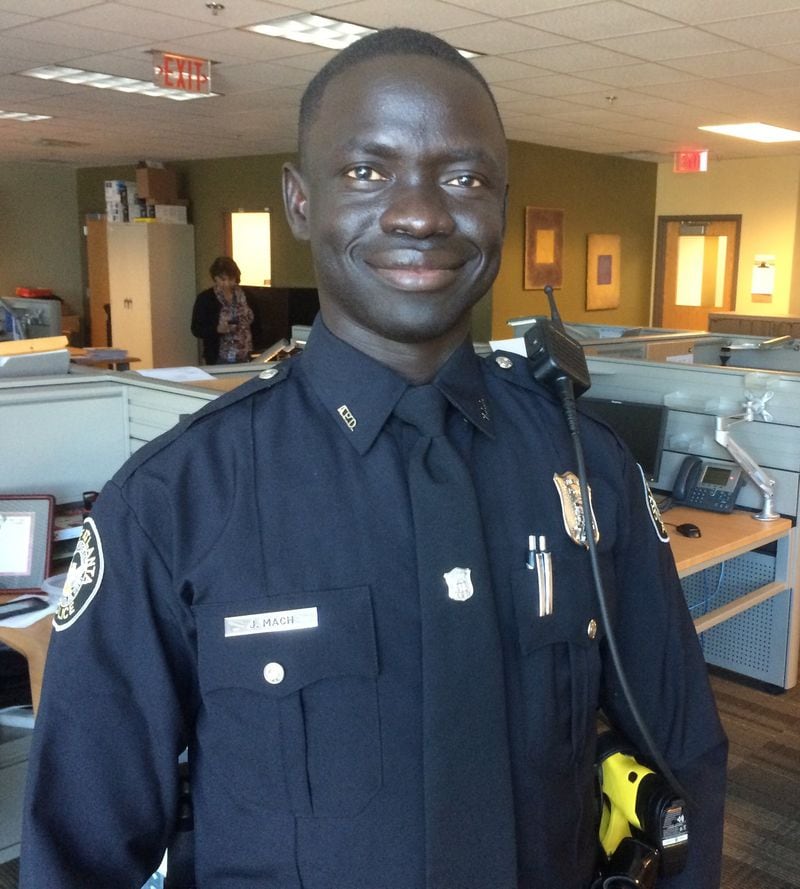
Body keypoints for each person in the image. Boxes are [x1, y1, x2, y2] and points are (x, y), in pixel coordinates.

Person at [21, 27, 727, 889]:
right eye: (367, 172)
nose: (422, 212)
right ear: (299, 200)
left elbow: (685, 757)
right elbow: (79, 850)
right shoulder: (175, 502)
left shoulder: (592, 471)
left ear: (502, 202)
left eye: (464, 177)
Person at [190, 255, 256, 364]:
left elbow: (256, 325)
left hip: (246, 354)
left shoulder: (247, 295)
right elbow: (196, 329)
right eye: (223, 279)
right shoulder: (205, 298)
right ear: (215, 278)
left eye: (231, 279)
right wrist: (217, 329)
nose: (227, 283)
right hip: (218, 356)